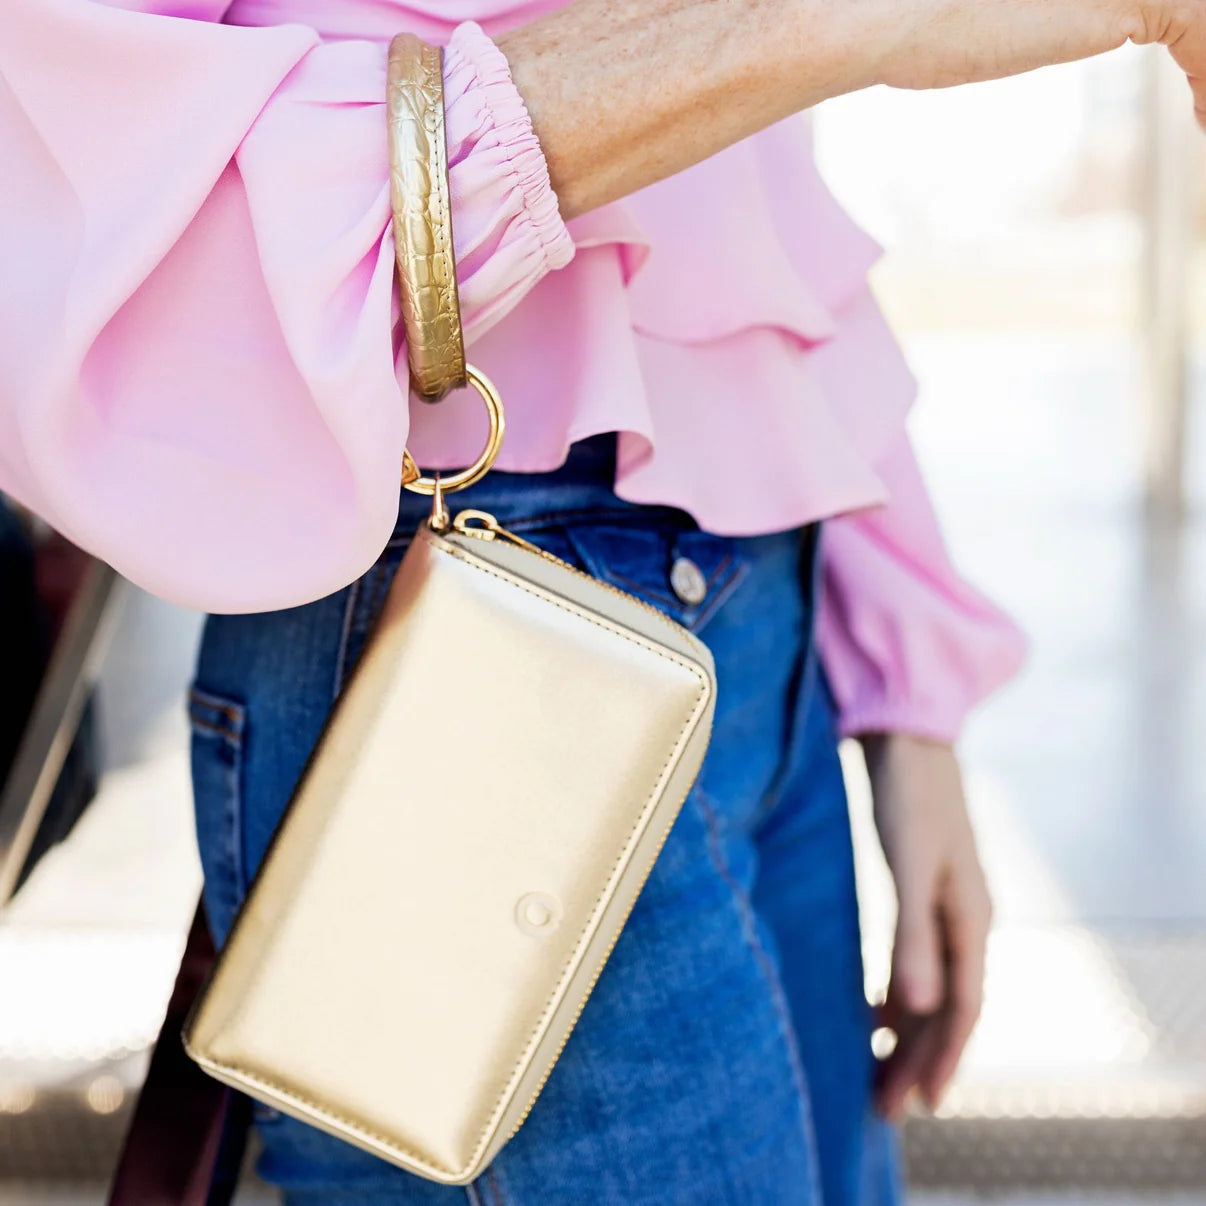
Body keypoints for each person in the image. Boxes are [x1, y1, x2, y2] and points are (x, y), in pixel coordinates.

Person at [1, 1, 1202, 1202]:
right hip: (461, 617)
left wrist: (907, 685)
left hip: (762, 609)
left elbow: (757, 185)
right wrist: (839, 25)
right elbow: (70, 146)